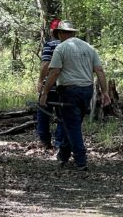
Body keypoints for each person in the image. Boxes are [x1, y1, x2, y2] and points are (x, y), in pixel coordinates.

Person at [39, 21, 111, 172]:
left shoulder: (61, 48)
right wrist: (104, 92)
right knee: (72, 123)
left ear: (60, 33)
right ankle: (64, 155)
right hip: (87, 91)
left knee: (72, 125)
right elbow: (99, 70)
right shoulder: (89, 48)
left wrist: (44, 92)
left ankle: (81, 159)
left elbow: (54, 72)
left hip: (69, 91)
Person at [36, 18, 62, 150]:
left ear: (52, 31)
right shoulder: (69, 45)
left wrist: (41, 81)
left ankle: (44, 140)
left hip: (50, 85)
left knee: (43, 111)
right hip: (65, 85)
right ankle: (59, 142)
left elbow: (46, 64)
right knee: (62, 114)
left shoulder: (50, 45)